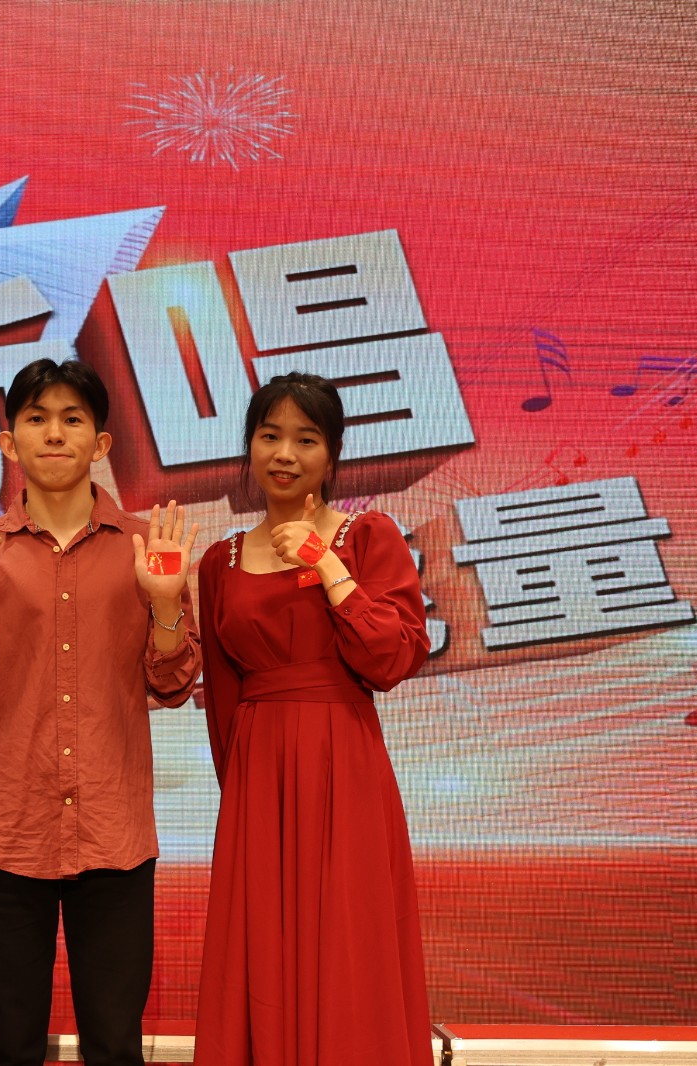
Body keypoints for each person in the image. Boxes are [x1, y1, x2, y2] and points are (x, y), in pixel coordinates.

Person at [0, 357, 202, 1066]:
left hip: (113, 831)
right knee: (11, 1043)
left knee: (114, 1043)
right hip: (9, 831)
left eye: (73, 419)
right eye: (37, 419)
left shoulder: (146, 548)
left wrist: (166, 605)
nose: (55, 434)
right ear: (8, 441)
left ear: (101, 443)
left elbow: (173, 685)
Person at [191, 372, 432, 1066]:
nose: (285, 454)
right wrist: (242, 793)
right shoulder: (220, 561)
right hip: (257, 777)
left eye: (306, 439)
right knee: (259, 942)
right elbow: (224, 694)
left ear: (332, 455)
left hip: (343, 762)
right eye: (270, 436)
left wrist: (328, 566)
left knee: (349, 938)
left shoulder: (368, 536)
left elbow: (391, 658)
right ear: (249, 447)